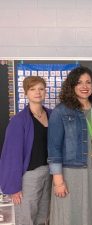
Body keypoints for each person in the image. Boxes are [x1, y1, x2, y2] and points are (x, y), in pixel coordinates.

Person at [47, 66, 92, 225]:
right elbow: (54, 147)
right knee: (71, 212)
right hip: (72, 172)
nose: (84, 86)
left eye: (88, 82)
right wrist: (58, 180)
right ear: (72, 86)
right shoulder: (60, 111)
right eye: (79, 82)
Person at [0, 76, 51, 225]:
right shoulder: (19, 121)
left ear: (45, 92)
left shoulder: (52, 115)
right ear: (25, 93)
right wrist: (13, 187)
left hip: (49, 174)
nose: (37, 92)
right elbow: (11, 156)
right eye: (32, 89)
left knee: (44, 217)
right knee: (26, 219)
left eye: (41, 89)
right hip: (29, 177)